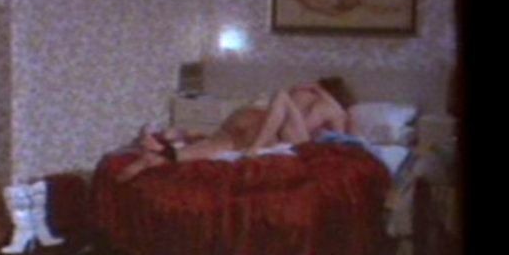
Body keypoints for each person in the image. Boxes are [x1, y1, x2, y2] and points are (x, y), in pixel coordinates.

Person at [116, 77, 352, 183]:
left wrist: (309, 88)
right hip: (268, 133)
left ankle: (165, 153)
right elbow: (340, 142)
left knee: (215, 143)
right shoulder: (335, 109)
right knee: (223, 143)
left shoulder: (302, 92)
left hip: (245, 117)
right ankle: (255, 148)